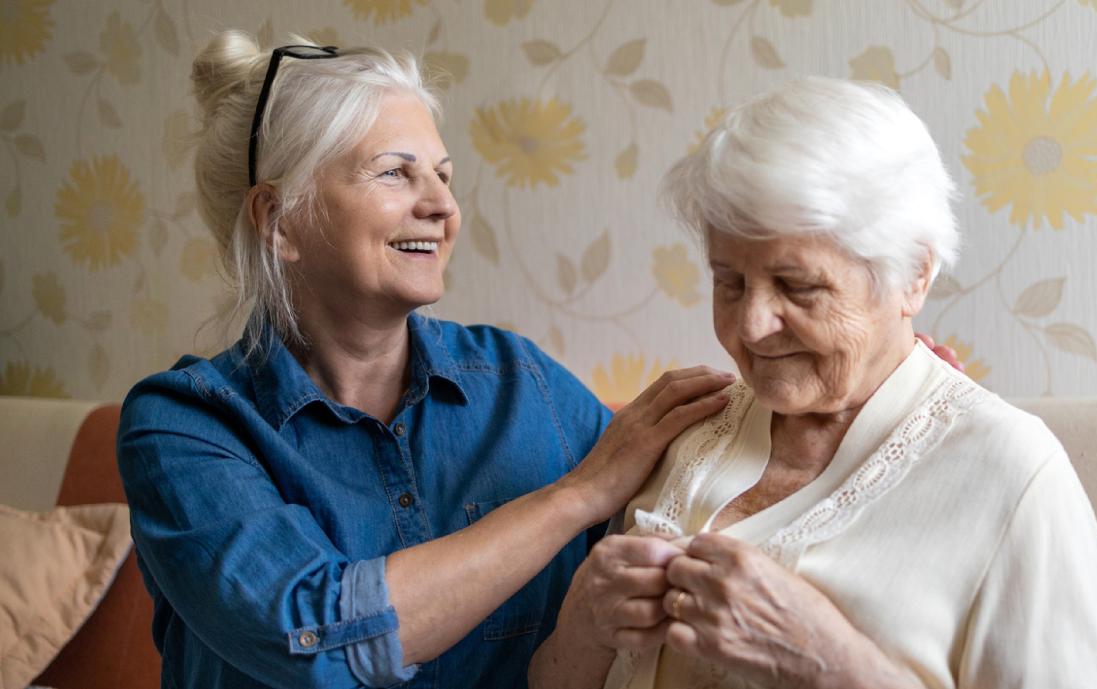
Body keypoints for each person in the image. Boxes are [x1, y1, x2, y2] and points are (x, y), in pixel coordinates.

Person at [116, 32, 738, 689]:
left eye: (442, 175)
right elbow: (314, 638)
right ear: (279, 221)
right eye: (394, 171)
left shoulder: (522, 384)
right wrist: (574, 496)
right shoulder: (182, 426)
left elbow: (702, 508)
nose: (442, 207)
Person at [529, 77, 1097, 689]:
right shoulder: (684, 428)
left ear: (914, 275)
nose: (751, 327)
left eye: (799, 287)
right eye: (729, 282)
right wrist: (585, 619)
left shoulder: (1013, 474)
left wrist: (823, 663)